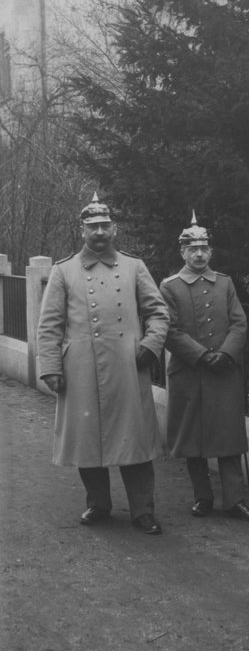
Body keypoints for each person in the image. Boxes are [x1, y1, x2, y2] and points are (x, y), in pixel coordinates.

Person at [37, 193, 169, 535]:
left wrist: (151, 345)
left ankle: (143, 510)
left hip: (127, 366)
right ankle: (98, 504)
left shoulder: (134, 266)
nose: (99, 232)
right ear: (82, 230)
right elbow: (49, 324)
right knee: (87, 441)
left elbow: (158, 312)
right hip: (80, 369)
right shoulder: (64, 270)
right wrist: (50, 366)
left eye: (104, 225)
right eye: (92, 226)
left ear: (114, 229)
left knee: (135, 441)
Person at [159, 214, 249, 523]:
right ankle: (202, 497)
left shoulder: (225, 283)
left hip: (224, 372)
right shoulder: (170, 287)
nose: (199, 254)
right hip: (189, 373)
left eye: (204, 249)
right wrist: (202, 356)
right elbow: (169, 330)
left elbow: (239, 323)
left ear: (211, 251)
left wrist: (226, 353)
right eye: (193, 249)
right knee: (193, 439)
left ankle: (235, 500)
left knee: (229, 439)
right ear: (182, 252)